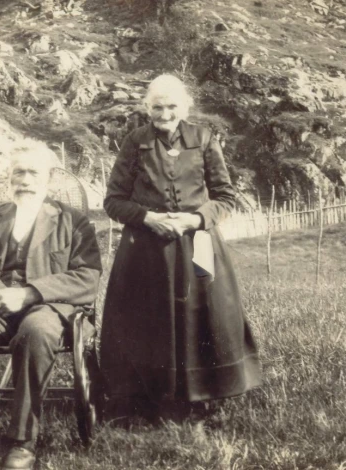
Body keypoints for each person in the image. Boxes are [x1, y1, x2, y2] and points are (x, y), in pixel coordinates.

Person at [100, 74, 262, 420]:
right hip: (145, 248)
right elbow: (113, 201)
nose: (164, 113)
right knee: (148, 317)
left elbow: (225, 196)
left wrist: (195, 220)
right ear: (147, 109)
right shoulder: (135, 142)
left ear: (184, 107)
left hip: (200, 243)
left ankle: (203, 395)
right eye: (157, 107)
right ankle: (149, 398)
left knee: (205, 309)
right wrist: (148, 218)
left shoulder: (204, 140)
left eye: (171, 106)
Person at [0, 142, 102, 470]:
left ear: (49, 179)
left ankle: (23, 442)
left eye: (33, 173)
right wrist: (3, 296)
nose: (25, 180)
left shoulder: (74, 222)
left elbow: (87, 277)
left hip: (49, 308)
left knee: (37, 330)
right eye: (19, 172)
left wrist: (29, 294)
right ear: (9, 177)